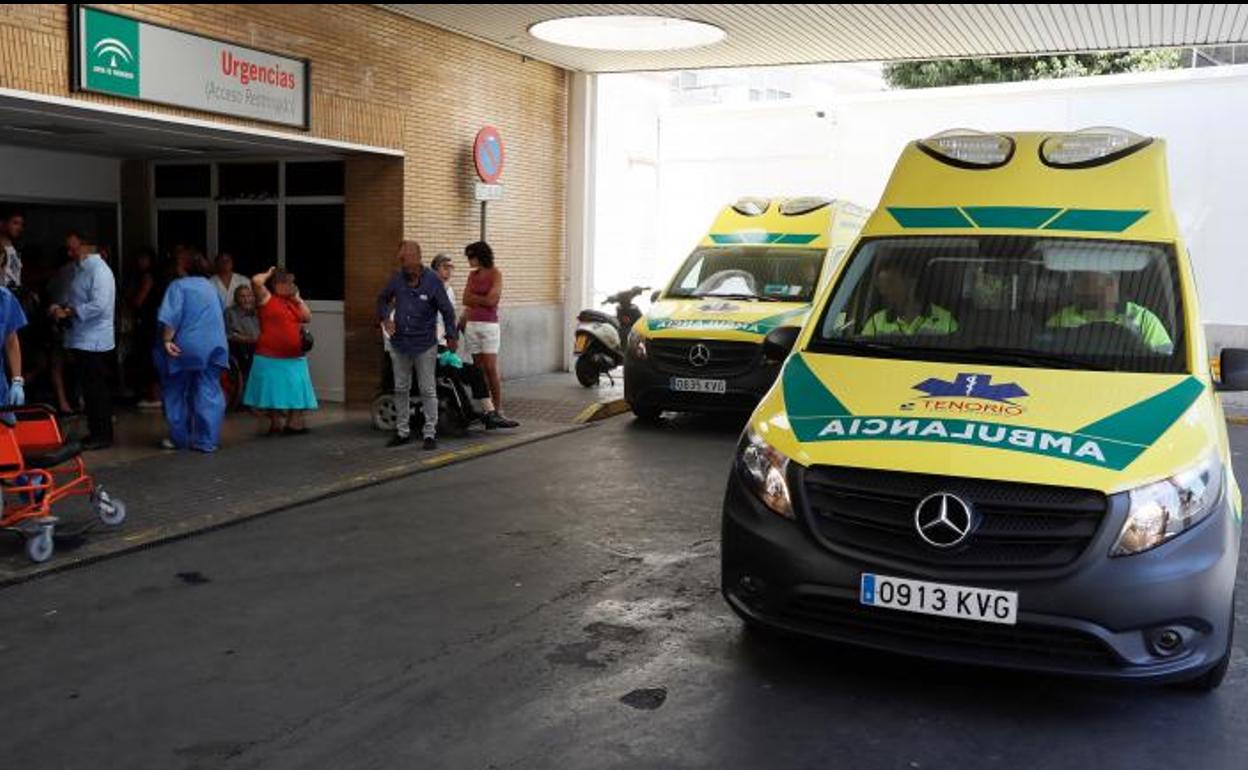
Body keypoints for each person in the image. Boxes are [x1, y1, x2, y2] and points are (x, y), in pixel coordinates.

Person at [377, 241, 457, 449]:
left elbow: (447, 311)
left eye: (405, 258)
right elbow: (382, 299)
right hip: (400, 343)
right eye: (401, 259)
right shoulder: (397, 279)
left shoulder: (432, 281)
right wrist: (386, 318)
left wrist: (451, 335)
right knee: (401, 387)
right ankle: (402, 431)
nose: (402, 262)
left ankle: (430, 433)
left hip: (425, 344)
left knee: (427, 389)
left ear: (417, 257)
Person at [430, 252, 516, 429]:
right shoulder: (429, 290)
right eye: (445, 267)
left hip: (444, 347)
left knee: (474, 371)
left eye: (450, 267)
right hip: (431, 350)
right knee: (458, 373)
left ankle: (488, 413)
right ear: (435, 269)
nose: (449, 271)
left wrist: (457, 330)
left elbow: (451, 316)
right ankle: (473, 411)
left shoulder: (449, 290)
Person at [156, 251, 228, 452]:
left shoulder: (178, 286)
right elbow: (220, 311)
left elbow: (171, 316)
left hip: (185, 345)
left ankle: (180, 438)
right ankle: (207, 440)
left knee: (175, 390)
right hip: (215, 345)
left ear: (183, 268)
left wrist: (167, 340)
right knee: (209, 390)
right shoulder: (212, 287)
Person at [48, 232, 116, 450]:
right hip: (81, 337)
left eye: (73, 248)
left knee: (96, 389)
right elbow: (76, 297)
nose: (70, 253)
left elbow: (100, 305)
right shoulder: (80, 270)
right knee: (88, 388)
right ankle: (95, 431)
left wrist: (70, 312)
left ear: (87, 247)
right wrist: (61, 307)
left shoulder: (100, 271)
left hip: (94, 339)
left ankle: (102, 434)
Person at [242, 267, 317, 435]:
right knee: (272, 391)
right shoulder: (266, 298)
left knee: (296, 388)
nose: (292, 285)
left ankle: (293, 423)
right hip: (269, 355)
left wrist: (297, 299)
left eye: (292, 282)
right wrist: (268, 273)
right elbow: (255, 281)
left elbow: (307, 317)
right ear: (277, 284)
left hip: (294, 356)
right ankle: (275, 423)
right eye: (287, 282)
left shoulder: (293, 301)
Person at [1046, 271, 1173, 352]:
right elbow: (1045, 351)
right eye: (1084, 283)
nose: (1106, 290)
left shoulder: (1144, 319)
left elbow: (1165, 360)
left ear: (1115, 285)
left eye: (1108, 282)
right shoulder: (1063, 318)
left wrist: (1139, 348)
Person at [461, 241, 515, 422]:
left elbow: (493, 300)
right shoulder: (472, 276)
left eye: (471, 257)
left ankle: (498, 408)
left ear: (480, 256)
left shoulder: (495, 273)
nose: (469, 261)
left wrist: (475, 299)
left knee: (491, 368)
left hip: (489, 326)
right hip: (472, 325)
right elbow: (465, 299)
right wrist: (481, 299)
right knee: (478, 370)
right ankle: (487, 408)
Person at [860, 257, 958, 336]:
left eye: (891, 283)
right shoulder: (875, 323)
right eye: (881, 287)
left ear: (911, 283)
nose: (884, 292)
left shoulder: (945, 321)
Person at [124, 248, 163, 408]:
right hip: (153, 321)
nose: (139, 262)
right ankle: (153, 393)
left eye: (142, 258)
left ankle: (154, 395)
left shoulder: (148, 276)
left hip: (148, 322)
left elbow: (139, 300)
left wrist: (129, 298)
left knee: (148, 357)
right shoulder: (155, 277)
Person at [225, 283, 260, 376]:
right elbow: (230, 335)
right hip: (240, 352)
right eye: (242, 296)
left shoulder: (258, 312)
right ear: (236, 299)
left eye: (249, 296)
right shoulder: (230, 313)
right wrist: (251, 340)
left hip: (259, 352)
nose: (246, 300)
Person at [0, 209, 24, 289]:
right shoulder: (1, 249)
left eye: (22, 224)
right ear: (2, 224)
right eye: (15, 223)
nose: (19, 228)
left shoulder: (14, 249)